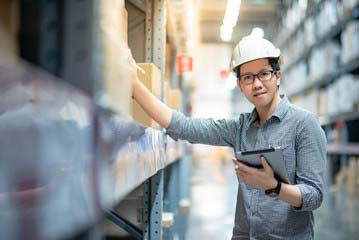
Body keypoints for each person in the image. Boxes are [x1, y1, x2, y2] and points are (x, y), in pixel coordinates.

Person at [131, 34, 327, 239]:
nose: (257, 84)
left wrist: (274, 186)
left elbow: (314, 196)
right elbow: (184, 126)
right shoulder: (240, 128)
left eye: (264, 74)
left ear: (278, 75)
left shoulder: (304, 124)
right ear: (240, 85)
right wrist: (135, 85)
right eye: (248, 77)